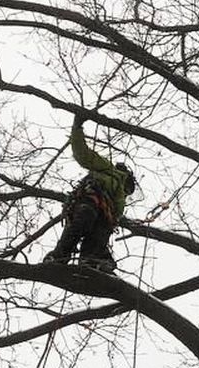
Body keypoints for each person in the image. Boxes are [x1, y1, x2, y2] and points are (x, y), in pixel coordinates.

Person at [43, 114, 136, 272]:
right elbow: (83, 154)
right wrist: (77, 128)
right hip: (91, 199)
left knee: (100, 231)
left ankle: (90, 260)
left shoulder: (120, 195)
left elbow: (117, 213)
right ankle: (59, 256)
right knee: (84, 219)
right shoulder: (108, 170)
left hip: (105, 214)